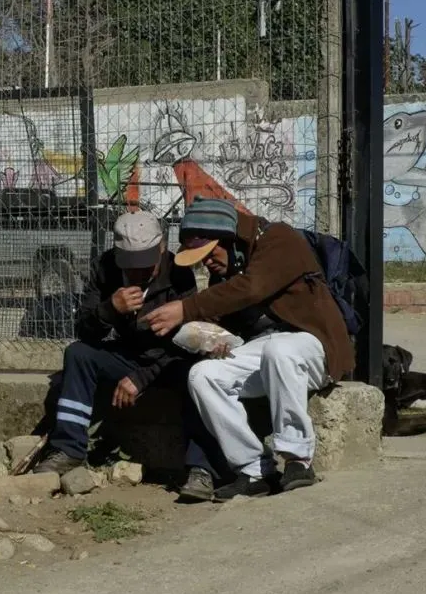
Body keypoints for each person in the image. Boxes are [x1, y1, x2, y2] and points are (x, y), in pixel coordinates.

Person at [142, 197, 356, 501]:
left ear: (227, 238)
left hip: (313, 347)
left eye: (209, 253)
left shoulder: (279, 238)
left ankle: (298, 460)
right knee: (203, 375)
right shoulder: (230, 265)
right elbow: (224, 309)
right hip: (268, 351)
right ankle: (255, 469)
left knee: (279, 349)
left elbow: (253, 287)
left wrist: (187, 308)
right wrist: (207, 336)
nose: (208, 263)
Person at [33, 211, 227, 485]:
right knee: (78, 354)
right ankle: (68, 449)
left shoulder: (179, 273)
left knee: (201, 373)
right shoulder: (106, 267)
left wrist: (142, 377)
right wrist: (109, 310)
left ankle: (202, 469)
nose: (137, 272)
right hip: (129, 356)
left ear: (161, 248)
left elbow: (190, 341)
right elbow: (85, 332)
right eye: (130, 265)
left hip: (170, 361)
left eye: (145, 264)